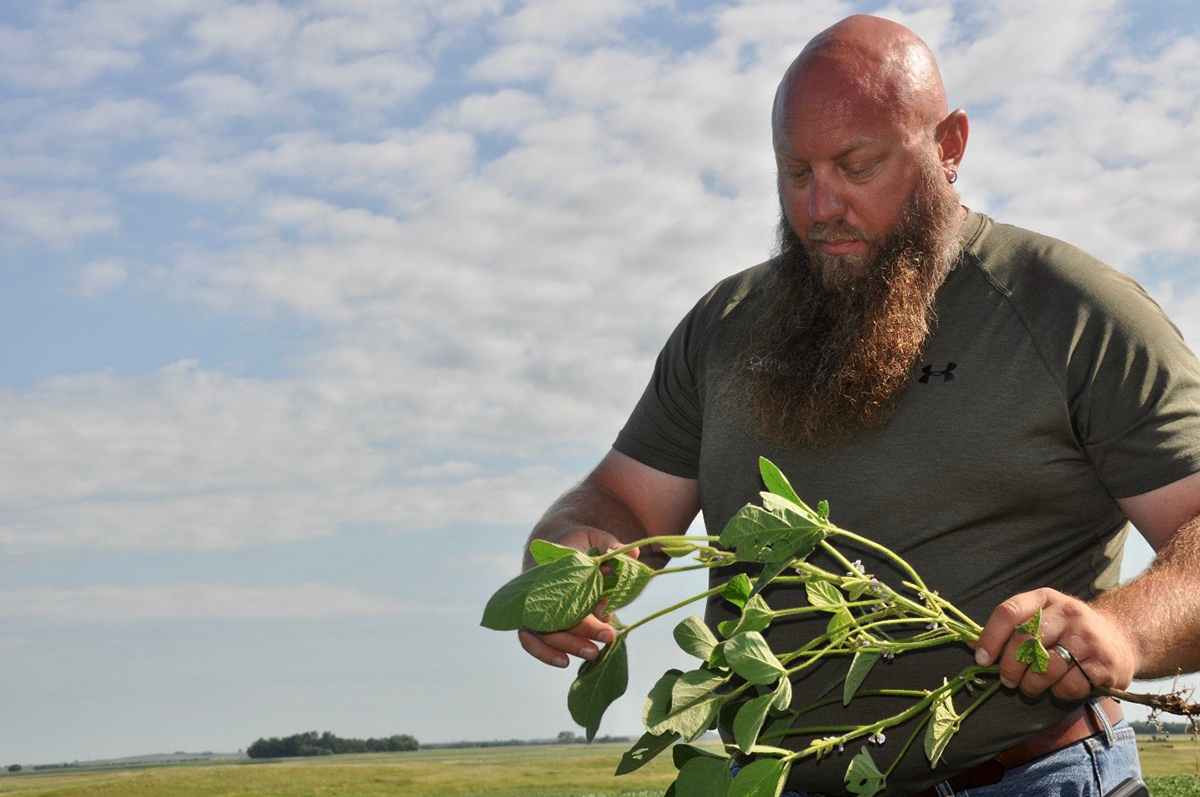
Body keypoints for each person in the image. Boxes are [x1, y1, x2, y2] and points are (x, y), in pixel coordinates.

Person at [515, 14, 1200, 797]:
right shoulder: (726, 326)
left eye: (857, 165)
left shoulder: (1071, 310)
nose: (819, 205)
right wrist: (570, 555)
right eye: (795, 171)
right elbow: (623, 502)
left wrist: (1121, 629)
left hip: (1029, 778)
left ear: (949, 145)